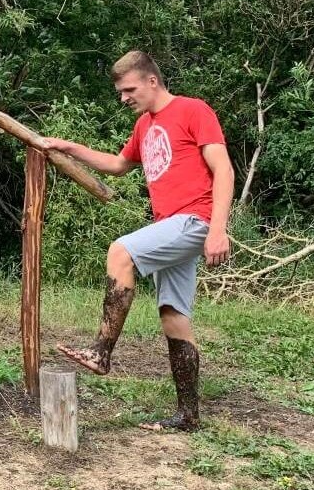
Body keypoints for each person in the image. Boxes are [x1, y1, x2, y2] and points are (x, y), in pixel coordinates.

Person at [42, 51, 233, 432]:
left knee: (121, 251)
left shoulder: (194, 111)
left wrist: (217, 228)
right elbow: (117, 164)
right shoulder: (145, 127)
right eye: (120, 92)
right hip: (171, 224)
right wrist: (68, 147)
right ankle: (188, 415)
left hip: (195, 218)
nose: (124, 98)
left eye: (129, 89)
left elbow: (223, 168)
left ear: (151, 81)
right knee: (174, 316)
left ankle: (101, 351)